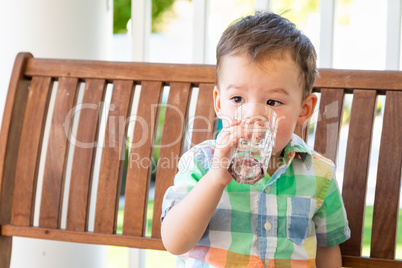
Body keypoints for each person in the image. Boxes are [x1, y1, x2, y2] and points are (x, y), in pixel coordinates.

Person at [161, 11, 350, 268]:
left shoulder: (319, 174)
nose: (253, 116)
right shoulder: (201, 163)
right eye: (237, 99)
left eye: (273, 102)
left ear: (304, 110)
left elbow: (328, 248)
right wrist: (216, 178)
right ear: (219, 102)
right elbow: (174, 242)